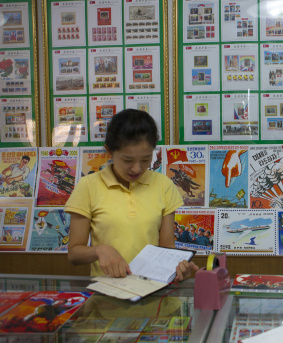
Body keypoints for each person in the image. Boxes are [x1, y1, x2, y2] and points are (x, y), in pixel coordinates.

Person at [66, 109, 198, 279]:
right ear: (109, 151)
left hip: (153, 291)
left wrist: (179, 269)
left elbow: (167, 248)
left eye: (145, 159)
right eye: (127, 160)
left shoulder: (163, 185)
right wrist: (99, 250)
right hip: (109, 295)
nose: (137, 168)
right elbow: (74, 254)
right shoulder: (88, 186)